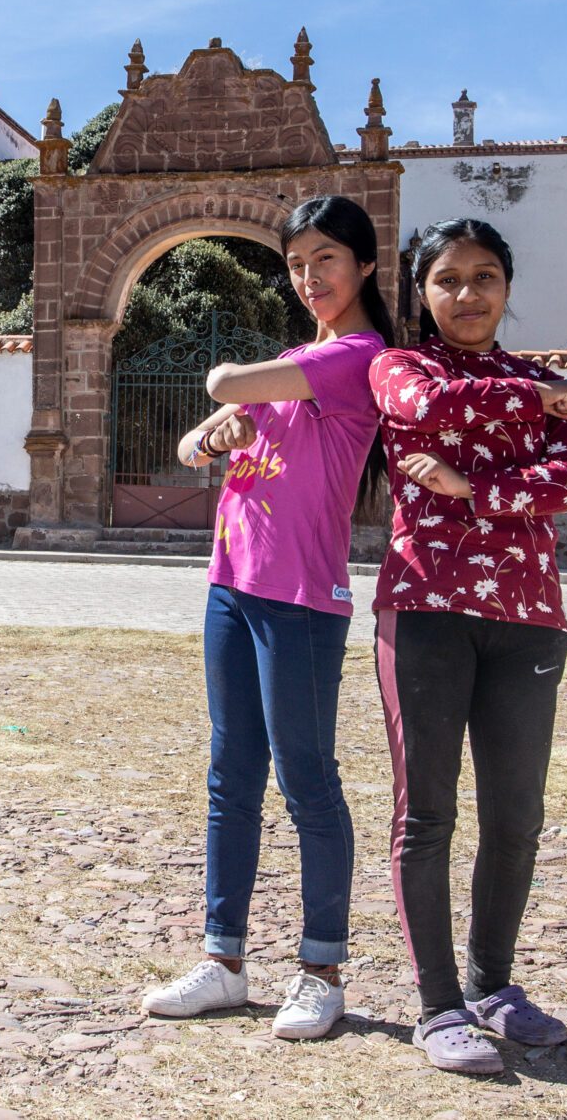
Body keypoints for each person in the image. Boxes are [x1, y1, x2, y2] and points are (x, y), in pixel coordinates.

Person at [141, 195, 395, 1043]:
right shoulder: (297, 359)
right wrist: (216, 435)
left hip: (301, 603)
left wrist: (233, 402)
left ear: (362, 265)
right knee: (230, 777)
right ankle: (224, 961)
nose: (308, 277)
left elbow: (222, 385)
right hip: (232, 586)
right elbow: (194, 441)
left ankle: (321, 969)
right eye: (294, 264)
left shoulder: (360, 356)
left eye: (325, 259)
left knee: (308, 781)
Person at [367, 217, 567, 1076]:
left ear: (507, 286)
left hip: (530, 615)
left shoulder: (543, 381)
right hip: (425, 608)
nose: (468, 294)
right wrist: (531, 411)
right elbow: (426, 408)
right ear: (421, 292)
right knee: (427, 812)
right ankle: (438, 1004)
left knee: (516, 816)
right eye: (449, 279)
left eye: (485, 276)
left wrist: (466, 487)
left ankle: (496, 984)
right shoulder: (402, 367)